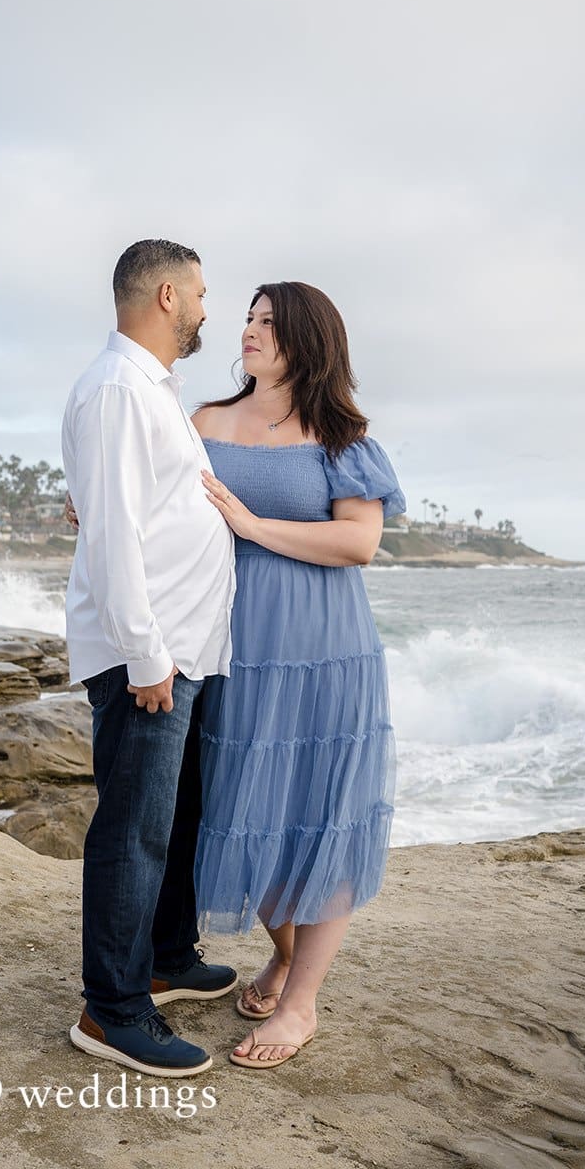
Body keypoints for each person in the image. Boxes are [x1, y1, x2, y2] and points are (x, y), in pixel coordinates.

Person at [191, 281, 406, 1069]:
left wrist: (250, 525)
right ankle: (284, 954)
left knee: (320, 815)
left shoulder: (342, 436)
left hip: (324, 650)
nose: (248, 330)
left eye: (269, 323)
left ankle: (301, 1002)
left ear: (307, 340)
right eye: (247, 318)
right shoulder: (204, 421)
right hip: (231, 644)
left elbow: (357, 544)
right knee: (245, 806)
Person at [61, 239, 238, 1078]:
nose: (206, 308)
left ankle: (167, 958)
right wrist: (143, 657)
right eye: (199, 292)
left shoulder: (152, 390)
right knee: (133, 834)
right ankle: (113, 1010)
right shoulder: (116, 390)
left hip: (183, 647)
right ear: (167, 295)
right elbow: (111, 535)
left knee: (175, 820)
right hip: (150, 653)